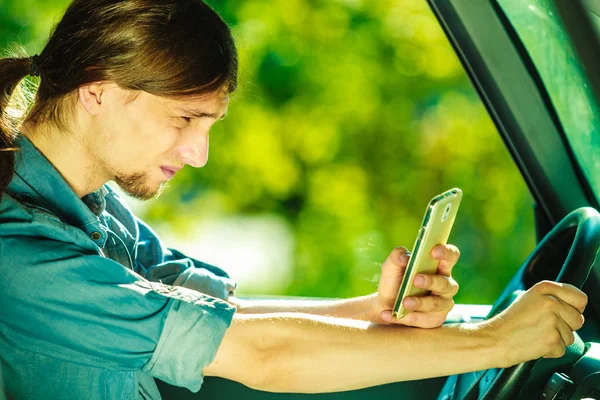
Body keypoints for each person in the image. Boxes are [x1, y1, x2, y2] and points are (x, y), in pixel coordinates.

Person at [0, 0, 588, 399]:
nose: (200, 153)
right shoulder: (20, 254)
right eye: (185, 118)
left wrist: (374, 313)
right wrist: (496, 340)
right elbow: (261, 353)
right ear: (97, 90)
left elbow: (214, 317)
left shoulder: (92, 206)